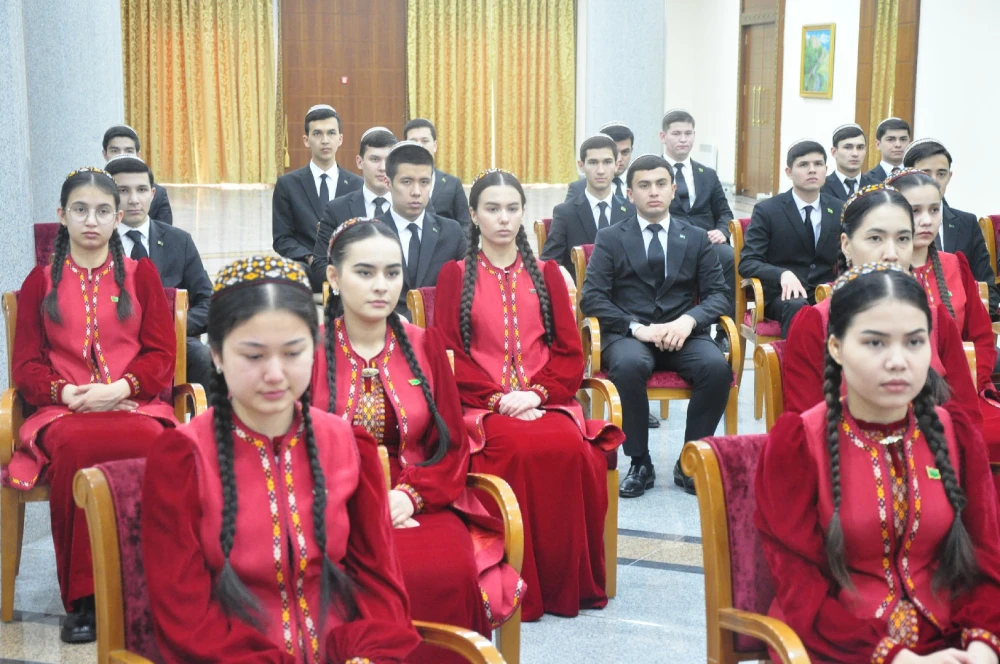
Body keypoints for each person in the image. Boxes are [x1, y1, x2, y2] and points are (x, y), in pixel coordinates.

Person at [142, 256, 421, 663]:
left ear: (315, 349)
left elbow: (380, 587)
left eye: (293, 352)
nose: (275, 374)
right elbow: (184, 619)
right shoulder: (182, 459)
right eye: (253, 356)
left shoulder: (348, 445)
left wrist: (367, 654)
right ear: (216, 356)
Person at [757, 264, 1000, 663]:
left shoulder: (955, 433)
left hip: (953, 638)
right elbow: (800, 590)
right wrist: (898, 659)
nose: (898, 361)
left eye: (915, 342)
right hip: (837, 645)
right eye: (875, 343)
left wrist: (982, 645)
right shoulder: (799, 443)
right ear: (836, 347)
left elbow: (987, 558)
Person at [313, 218, 523, 662]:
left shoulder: (424, 345)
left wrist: (409, 497)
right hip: (330, 505)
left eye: (392, 273)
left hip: (419, 497)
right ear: (333, 278)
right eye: (364, 272)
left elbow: (451, 447)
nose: (381, 286)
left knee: (443, 568)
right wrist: (361, 504)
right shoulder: (306, 352)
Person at [436, 169, 623, 621]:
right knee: (515, 450)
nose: (503, 219)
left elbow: (569, 352)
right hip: (483, 408)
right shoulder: (454, 275)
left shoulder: (548, 273)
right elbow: (448, 356)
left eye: (512, 208)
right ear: (474, 215)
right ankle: (522, 586)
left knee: (574, 452)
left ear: (523, 213)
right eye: (492, 209)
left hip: (546, 401)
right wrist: (499, 399)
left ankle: (569, 582)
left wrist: (537, 395)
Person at [6, 167, 177, 643]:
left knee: (147, 443)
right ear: (62, 216)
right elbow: (26, 365)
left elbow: (162, 355)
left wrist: (121, 389)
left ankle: (145, 590)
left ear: (118, 217)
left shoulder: (141, 275)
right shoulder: (40, 281)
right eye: (80, 210)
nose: (91, 221)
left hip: (134, 406)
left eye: (103, 211)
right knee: (77, 448)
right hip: (64, 411)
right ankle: (84, 600)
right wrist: (65, 393)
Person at [580, 154, 731, 497]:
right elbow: (593, 298)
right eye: (644, 185)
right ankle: (640, 461)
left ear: (673, 189)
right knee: (629, 366)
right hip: (631, 335)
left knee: (716, 368)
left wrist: (688, 320)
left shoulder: (695, 237)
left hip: (684, 332)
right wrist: (636, 328)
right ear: (629, 194)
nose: (653, 192)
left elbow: (719, 295)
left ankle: (690, 460)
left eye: (661, 184)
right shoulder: (610, 238)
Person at [782, 185, 980, 433]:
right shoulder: (816, 323)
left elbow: (967, 423)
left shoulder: (936, 321)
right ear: (846, 245)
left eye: (902, 239)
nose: (891, 254)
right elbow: (806, 430)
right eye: (875, 238)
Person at [888, 168, 1000, 454]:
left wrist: (973, 378)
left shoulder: (955, 265)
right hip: (899, 400)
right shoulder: (882, 274)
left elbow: (982, 338)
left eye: (934, 210)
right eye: (915, 211)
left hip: (963, 391)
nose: (927, 220)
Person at [104, 154, 214, 392]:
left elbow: (208, 301)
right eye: (123, 191)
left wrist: (175, 327)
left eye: (142, 190)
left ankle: (207, 428)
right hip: (110, 342)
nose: (134, 200)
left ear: (153, 194)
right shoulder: (97, 242)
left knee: (206, 359)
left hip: (171, 339)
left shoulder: (178, 241)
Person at [739, 140, 845, 337]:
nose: (812, 170)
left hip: (825, 290)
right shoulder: (768, 210)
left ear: (826, 169)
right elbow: (748, 262)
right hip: (783, 296)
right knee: (797, 305)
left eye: (818, 164)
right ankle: (796, 366)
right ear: (789, 172)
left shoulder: (839, 208)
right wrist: (781, 274)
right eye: (803, 165)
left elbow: (848, 255)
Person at [660, 109, 736, 347]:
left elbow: (724, 212)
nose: (683, 139)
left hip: (707, 243)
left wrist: (722, 230)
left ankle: (724, 330)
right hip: (670, 241)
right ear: (663, 136)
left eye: (688, 133)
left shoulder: (708, 175)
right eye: (677, 134)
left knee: (729, 256)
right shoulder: (654, 172)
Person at [372, 141, 467, 319]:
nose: (416, 191)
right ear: (388, 182)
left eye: (424, 182)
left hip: (439, 334)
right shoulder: (370, 234)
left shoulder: (451, 232)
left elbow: (468, 290)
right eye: (406, 182)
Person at [272, 104, 363, 289]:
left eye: (331, 133)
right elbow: (282, 239)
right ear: (306, 140)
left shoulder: (357, 185)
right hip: (306, 268)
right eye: (317, 134)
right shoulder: (287, 185)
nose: (325, 140)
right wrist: (310, 257)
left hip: (346, 269)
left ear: (340, 139)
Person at [903, 138, 998, 314]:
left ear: (949, 176)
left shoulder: (966, 223)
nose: (934, 181)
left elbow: (988, 290)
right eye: (925, 173)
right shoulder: (893, 224)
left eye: (941, 173)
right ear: (908, 174)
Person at [310, 126, 398, 286]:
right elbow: (320, 265)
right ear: (359, 162)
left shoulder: (410, 208)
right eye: (375, 159)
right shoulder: (336, 210)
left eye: (389, 160)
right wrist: (358, 283)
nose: (383, 168)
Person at [542, 134, 635, 277]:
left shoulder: (631, 210)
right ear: (581, 166)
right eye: (593, 162)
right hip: (581, 293)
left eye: (607, 162)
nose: (601, 170)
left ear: (616, 165)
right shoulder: (565, 213)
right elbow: (550, 262)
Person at [404, 118, 472, 228]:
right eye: (413, 141)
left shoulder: (452, 184)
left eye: (425, 141)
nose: (419, 146)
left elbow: (465, 224)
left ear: (435, 145)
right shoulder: (396, 182)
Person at [102, 124, 173, 225]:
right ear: (105, 154)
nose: (122, 155)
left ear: (138, 155)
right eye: (115, 151)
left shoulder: (159, 194)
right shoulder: (95, 189)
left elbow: (165, 233)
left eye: (129, 151)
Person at [566, 121, 636, 202]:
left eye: (625, 152)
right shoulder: (579, 188)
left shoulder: (641, 185)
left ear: (631, 150)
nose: (619, 159)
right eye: (615, 153)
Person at [821, 123, 868, 200]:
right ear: (834, 152)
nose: (855, 154)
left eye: (860, 147)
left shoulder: (877, 187)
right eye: (848, 147)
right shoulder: (821, 187)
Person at [862, 117, 911, 184]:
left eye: (903, 139)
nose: (898, 145)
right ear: (878, 144)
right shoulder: (866, 180)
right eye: (890, 139)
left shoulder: (917, 175)